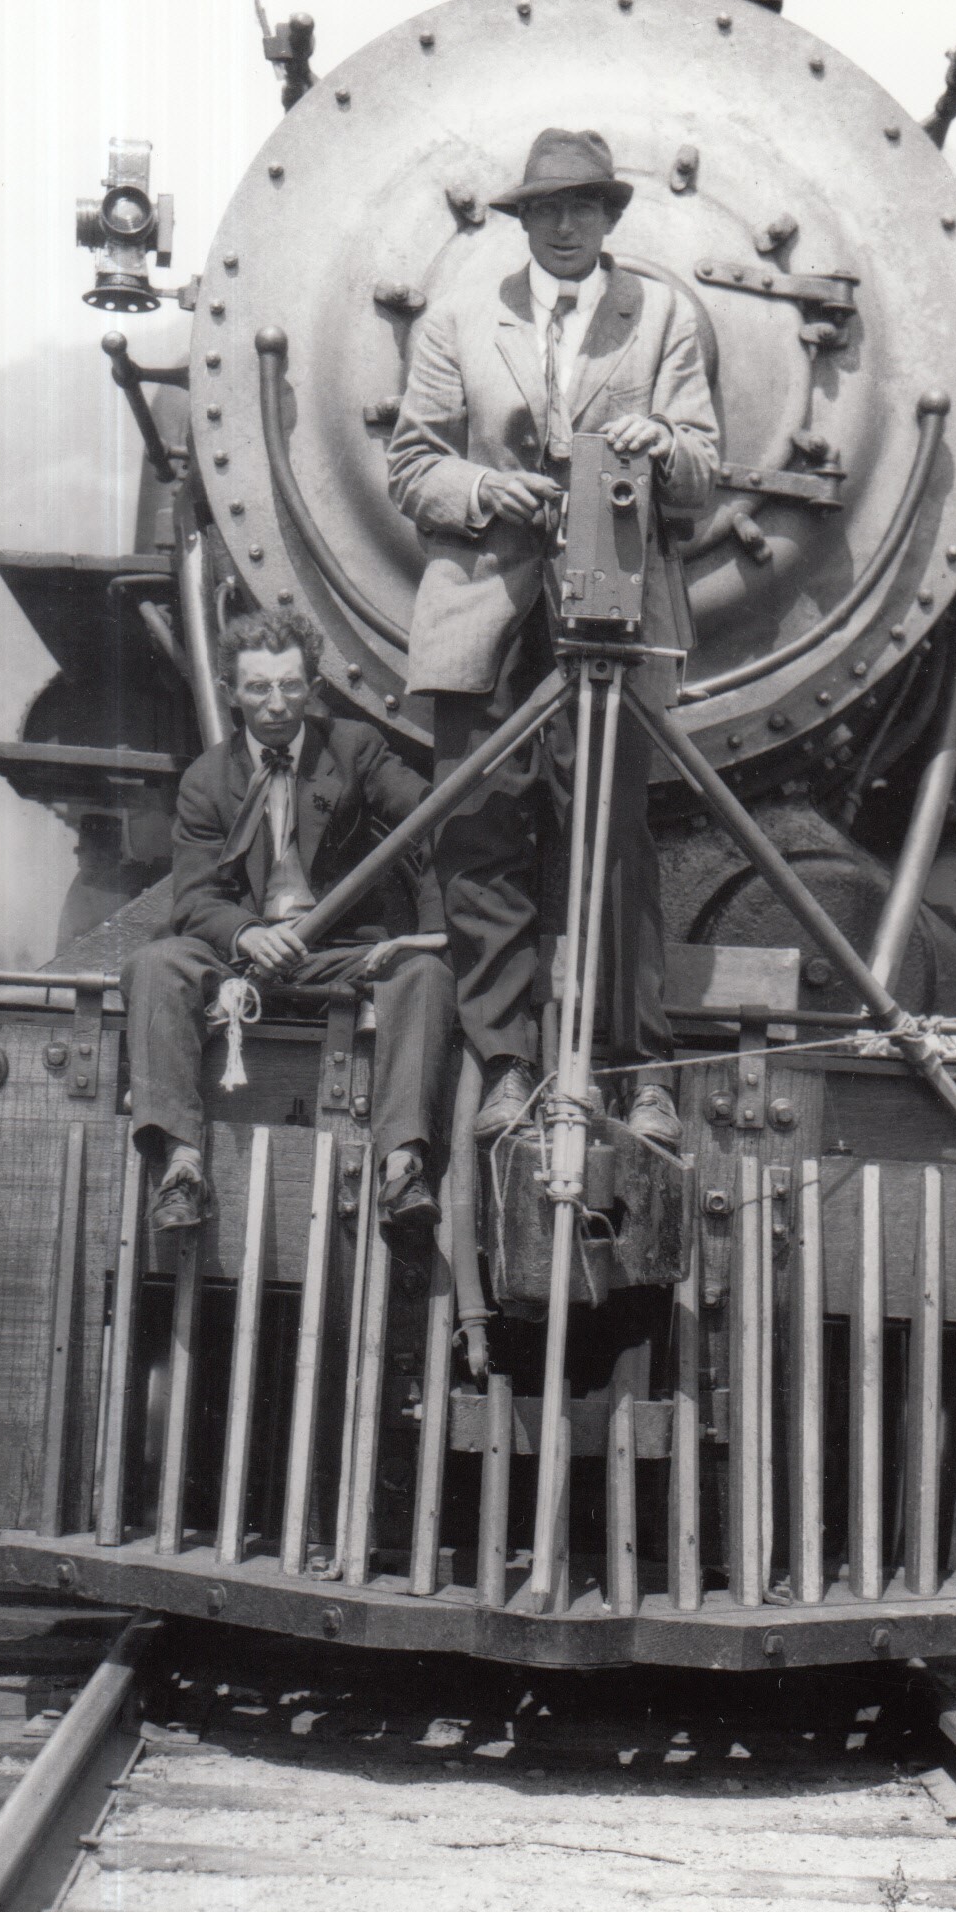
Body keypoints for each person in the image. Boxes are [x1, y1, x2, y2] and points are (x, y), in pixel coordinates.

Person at [385, 126, 717, 1152]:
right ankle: (506, 1065)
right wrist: (487, 488)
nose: (564, 225)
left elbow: (706, 467)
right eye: (545, 209)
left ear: (610, 217)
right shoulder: (457, 316)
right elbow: (412, 465)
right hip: (483, 609)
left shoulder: (660, 316)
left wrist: (662, 447)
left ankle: (636, 1070)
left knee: (611, 841)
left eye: (583, 208)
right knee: (480, 841)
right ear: (522, 220)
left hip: (610, 608)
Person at [122, 609, 455, 1234]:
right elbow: (194, 901)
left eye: (291, 686)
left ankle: (403, 1169)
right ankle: (182, 1167)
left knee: (427, 975)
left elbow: (432, 819)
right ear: (230, 694)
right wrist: (248, 933)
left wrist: (430, 931)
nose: (276, 705)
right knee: (154, 964)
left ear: (313, 686)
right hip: (242, 959)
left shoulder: (356, 749)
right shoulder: (204, 780)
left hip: (344, 953)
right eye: (257, 689)